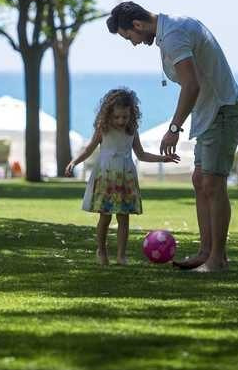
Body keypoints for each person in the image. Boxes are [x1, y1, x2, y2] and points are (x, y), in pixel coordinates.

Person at [107, 2, 238, 273]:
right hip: (210, 113)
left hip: (223, 110)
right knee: (200, 180)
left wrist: (174, 129)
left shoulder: (172, 36)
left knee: (213, 183)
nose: (133, 43)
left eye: (129, 37)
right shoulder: (170, 29)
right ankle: (205, 252)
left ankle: (217, 259)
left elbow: (191, 85)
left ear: (137, 25)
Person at [65, 88, 179, 266]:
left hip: (125, 178)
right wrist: (74, 162)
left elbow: (141, 154)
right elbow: (88, 149)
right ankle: (101, 251)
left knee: (123, 217)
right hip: (106, 176)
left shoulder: (132, 130)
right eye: (116, 117)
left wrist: (162, 159)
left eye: (125, 117)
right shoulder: (103, 129)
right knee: (105, 217)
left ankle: (121, 255)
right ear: (108, 114)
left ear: (131, 114)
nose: (120, 121)